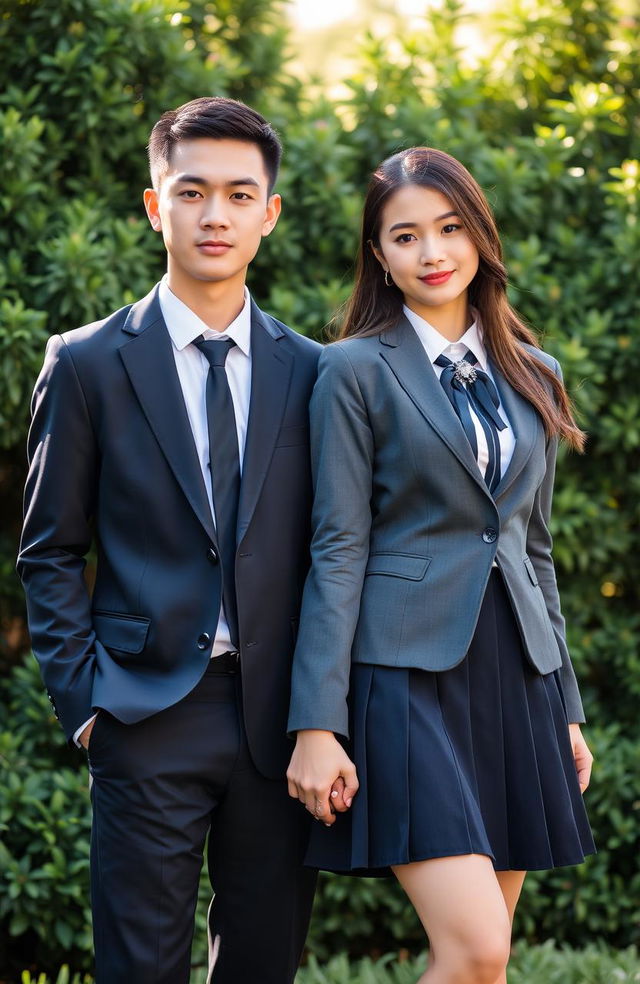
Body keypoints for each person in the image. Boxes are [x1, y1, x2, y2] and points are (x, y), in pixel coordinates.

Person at [18, 96, 320, 984]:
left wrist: (325, 713)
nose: (214, 215)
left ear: (270, 213)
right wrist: (87, 709)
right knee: (139, 969)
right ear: (156, 206)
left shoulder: (314, 372)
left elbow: (337, 549)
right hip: (144, 715)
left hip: (280, 722)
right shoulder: (84, 364)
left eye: (238, 194)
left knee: (263, 967)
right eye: (192, 193)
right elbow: (48, 551)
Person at [286, 147, 594, 984]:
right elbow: (337, 547)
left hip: (516, 680)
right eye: (406, 235)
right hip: (403, 676)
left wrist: (564, 704)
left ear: (480, 236)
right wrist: (317, 721)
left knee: (484, 962)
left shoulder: (537, 375)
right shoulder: (351, 370)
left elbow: (534, 548)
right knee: (477, 947)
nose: (432, 252)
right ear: (379, 256)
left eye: (451, 228)